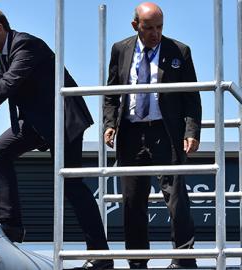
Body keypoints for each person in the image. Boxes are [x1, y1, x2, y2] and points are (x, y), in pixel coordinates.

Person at [0, 7, 113, 270]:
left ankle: (100, 255)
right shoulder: (7, 53)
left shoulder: (26, 45)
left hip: (63, 121)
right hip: (37, 123)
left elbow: (9, 84)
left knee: (73, 187)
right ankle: (11, 226)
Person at [103, 2, 201, 269]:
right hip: (131, 134)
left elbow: (192, 97)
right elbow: (111, 93)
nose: (155, 33)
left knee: (177, 198)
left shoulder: (179, 51)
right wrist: (109, 123)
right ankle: (137, 263)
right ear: (136, 26)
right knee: (133, 203)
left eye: (159, 27)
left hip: (166, 133)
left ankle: (183, 260)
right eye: (149, 28)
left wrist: (192, 131)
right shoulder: (120, 49)